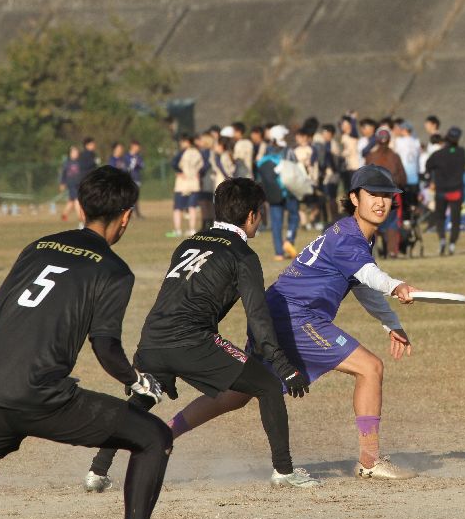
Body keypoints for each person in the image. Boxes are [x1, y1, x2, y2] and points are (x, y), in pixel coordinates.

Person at [0, 166, 191, 519]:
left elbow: (0, 314)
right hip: (42, 396)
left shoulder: (38, 246)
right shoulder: (113, 270)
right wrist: (135, 379)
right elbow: (106, 347)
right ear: (126, 216)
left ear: (80, 206)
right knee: (154, 436)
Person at [159, 165, 420, 480]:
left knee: (238, 393)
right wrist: (395, 285)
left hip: (276, 312)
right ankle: (370, 461)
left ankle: (164, 434)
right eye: (373, 195)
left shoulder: (351, 234)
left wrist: (391, 323)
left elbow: (362, 285)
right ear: (354, 198)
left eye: (387, 196)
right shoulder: (349, 238)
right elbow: (369, 275)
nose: (381, 202)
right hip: (296, 316)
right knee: (370, 368)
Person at [83, 177, 317, 493]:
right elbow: (258, 318)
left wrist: (151, 355)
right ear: (251, 215)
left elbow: (173, 298)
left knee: (144, 397)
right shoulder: (243, 255)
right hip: (192, 341)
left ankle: (97, 471)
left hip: (152, 340)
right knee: (268, 385)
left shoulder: (188, 243)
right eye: (259, 212)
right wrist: (283, 366)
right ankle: (284, 471)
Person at [257, 125, 299, 261]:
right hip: (288, 191)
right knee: (294, 216)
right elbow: (295, 168)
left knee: (276, 222)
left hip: (273, 192)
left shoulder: (267, 152)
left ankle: (278, 253)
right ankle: (289, 239)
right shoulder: (288, 151)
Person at [365, 127, 407, 258]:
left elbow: (364, 177)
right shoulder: (394, 157)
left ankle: (373, 249)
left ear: (377, 141)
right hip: (391, 194)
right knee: (392, 223)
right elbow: (403, 178)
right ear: (389, 140)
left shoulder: (370, 156)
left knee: (373, 221)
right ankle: (392, 251)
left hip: (374, 195)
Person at [425, 126, 465, 256]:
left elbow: (428, 166)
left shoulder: (437, 154)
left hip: (441, 191)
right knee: (455, 219)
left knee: (440, 218)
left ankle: (442, 239)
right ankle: (452, 244)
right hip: (456, 191)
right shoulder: (461, 152)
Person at [168, 134, 203, 238]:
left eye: (182, 141)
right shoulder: (197, 152)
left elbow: (174, 163)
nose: (181, 143)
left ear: (187, 142)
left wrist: (179, 172)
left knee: (178, 208)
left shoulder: (182, 152)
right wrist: (199, 173)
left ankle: (177, 230)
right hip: (194, 183)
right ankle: (192, 229)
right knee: (192, 207)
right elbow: (203, 165)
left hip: (182, 183)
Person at [393, 119, 421, 218]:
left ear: (404, 130)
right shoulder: (416, 142)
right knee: (413, 200)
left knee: (404, 200)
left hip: (403, 176)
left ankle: (406, 219)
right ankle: (414, 218)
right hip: (414, 176)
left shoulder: (399, 141)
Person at [60, 145, 84, 223]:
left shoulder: (80, 162)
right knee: (77, 199)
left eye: (76, 152)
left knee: (71, 200)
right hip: (71, 184)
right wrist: (62, 183)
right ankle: (80, 217)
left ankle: (64, 214)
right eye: (74, 152)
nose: (76, 153)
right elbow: (63, 174)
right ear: (70, 153)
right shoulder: (67, 163)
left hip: (78, 184)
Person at [339, 115, 361, 190]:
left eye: (344, 124)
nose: (342, 126)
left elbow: (349, 150)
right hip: (354, 164)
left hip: (352, 165)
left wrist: (342, 154)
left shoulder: (346, 137)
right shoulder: (354, 136)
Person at [126, 140, 145, 219]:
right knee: (128, 197)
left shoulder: (138, 156)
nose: (138, 148)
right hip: (128, 179)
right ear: (132, 146)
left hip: (136, 179)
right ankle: (127, 213)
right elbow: (126, 167)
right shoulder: (126, 156)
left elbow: (142, 165)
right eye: (136, 147)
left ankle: (137, 213)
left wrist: (138, 163)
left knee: (135, 197)